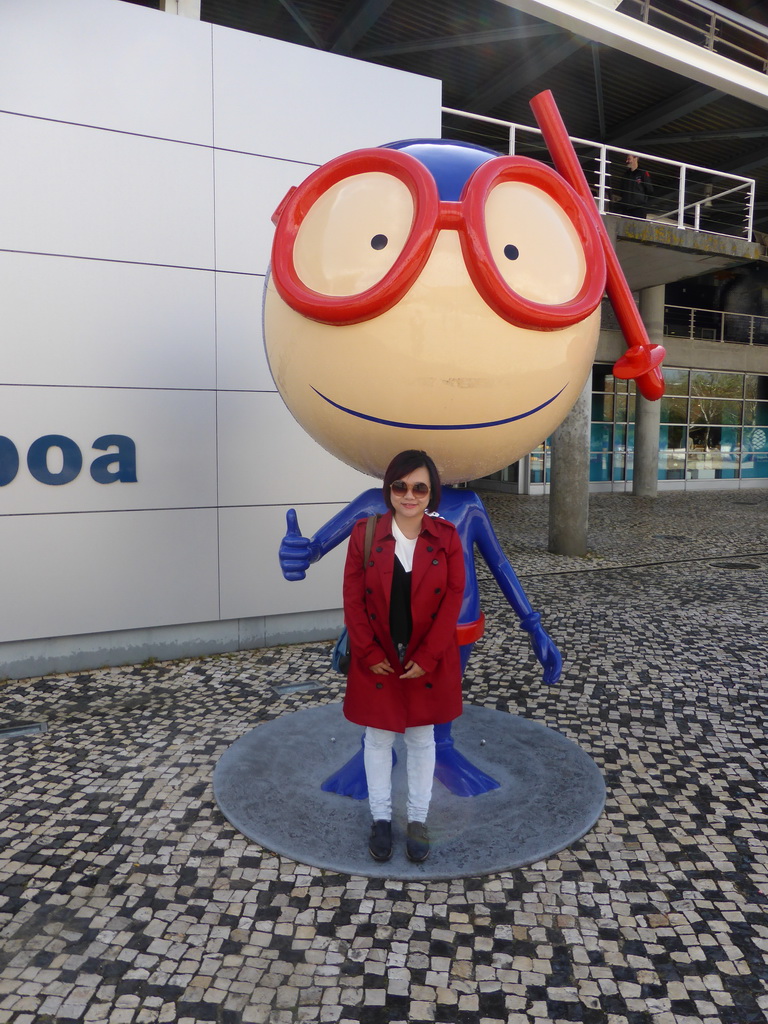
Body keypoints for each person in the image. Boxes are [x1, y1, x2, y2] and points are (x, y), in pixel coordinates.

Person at [341, 450, 465, 863]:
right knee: (377, 738)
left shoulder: (446, 537)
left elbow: (452, 598)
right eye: (400, 486)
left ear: (432, 493)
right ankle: (380, 819)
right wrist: (367, 649)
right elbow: (353, 599)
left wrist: (429, 655)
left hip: (424, 659)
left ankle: (417, 820)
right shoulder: (366, 533)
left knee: (421, 738)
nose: (409, 495)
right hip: (378, 656)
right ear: (389, 489)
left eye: (419, 487)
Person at [615, 153, 653, 218]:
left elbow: (649, 189)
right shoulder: (625, 175)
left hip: (639, 209)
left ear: (636, 158)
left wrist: (640, 200)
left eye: (629, 159)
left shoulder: (642, 173)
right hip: (626, 209)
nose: (627, 161)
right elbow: (621, 191)